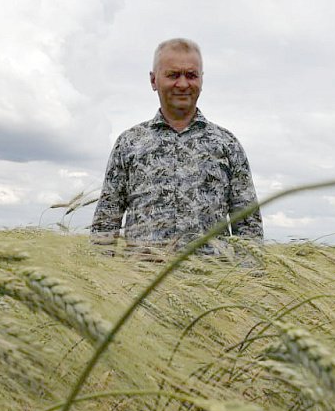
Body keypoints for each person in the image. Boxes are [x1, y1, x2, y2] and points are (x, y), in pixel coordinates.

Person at [90, 38, 263, 252]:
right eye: (173, 75)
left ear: (201, 80)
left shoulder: (227, 144)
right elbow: (106, 222)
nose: (182, 84)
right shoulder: (129, 143)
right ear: (154, 80)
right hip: (142, 281)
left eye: (191, 75)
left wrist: (249, 281)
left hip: (212, 282)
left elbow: (248, 226)